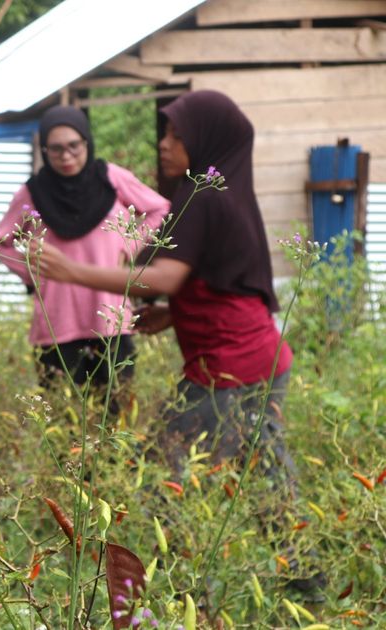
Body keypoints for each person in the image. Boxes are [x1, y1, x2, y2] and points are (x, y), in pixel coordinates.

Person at [32, 91, 300, 507]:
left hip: (232, 364)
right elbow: (225, 278)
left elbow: (166, 277)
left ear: (207, 140)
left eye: (177, 136)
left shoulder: (205, 198)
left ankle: (180, 570)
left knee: (163, 477)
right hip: (260, 357)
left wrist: (72, 272)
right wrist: (175, 315)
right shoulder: (215, 193)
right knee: (264, 476)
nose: (164, 144)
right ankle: (303, 570)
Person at [0, 106, 169, 393]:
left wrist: (130, 243)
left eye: (74, 146)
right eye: (56, 149)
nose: (66, 156)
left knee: (115, 415)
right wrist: (32, 271)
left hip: (111, 318)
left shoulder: (111, 178)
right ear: (45, 150)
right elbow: (0, 243)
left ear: (87, 142)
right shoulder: (33, 192)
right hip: (57, 323)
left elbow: (159, 208)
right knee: (64, 423)